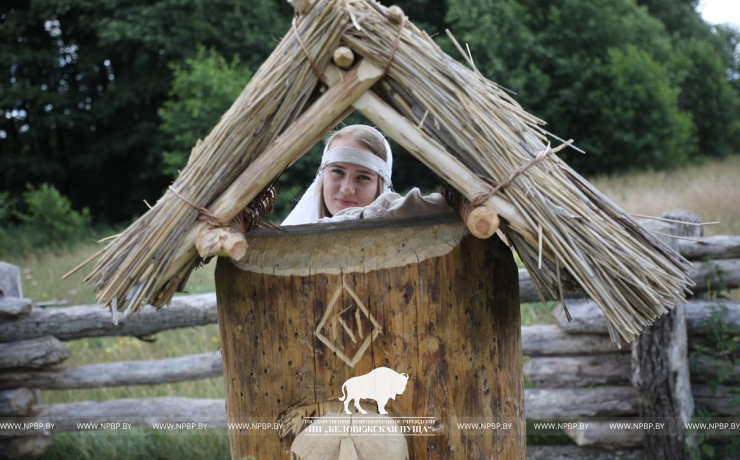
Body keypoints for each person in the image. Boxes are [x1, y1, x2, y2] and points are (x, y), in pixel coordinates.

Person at [282, 125, 453, 226]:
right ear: (322, 175)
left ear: (382, 185)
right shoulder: (289, 239)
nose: (347, 189)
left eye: (363, 177)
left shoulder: (400, 235)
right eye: (338, 171)